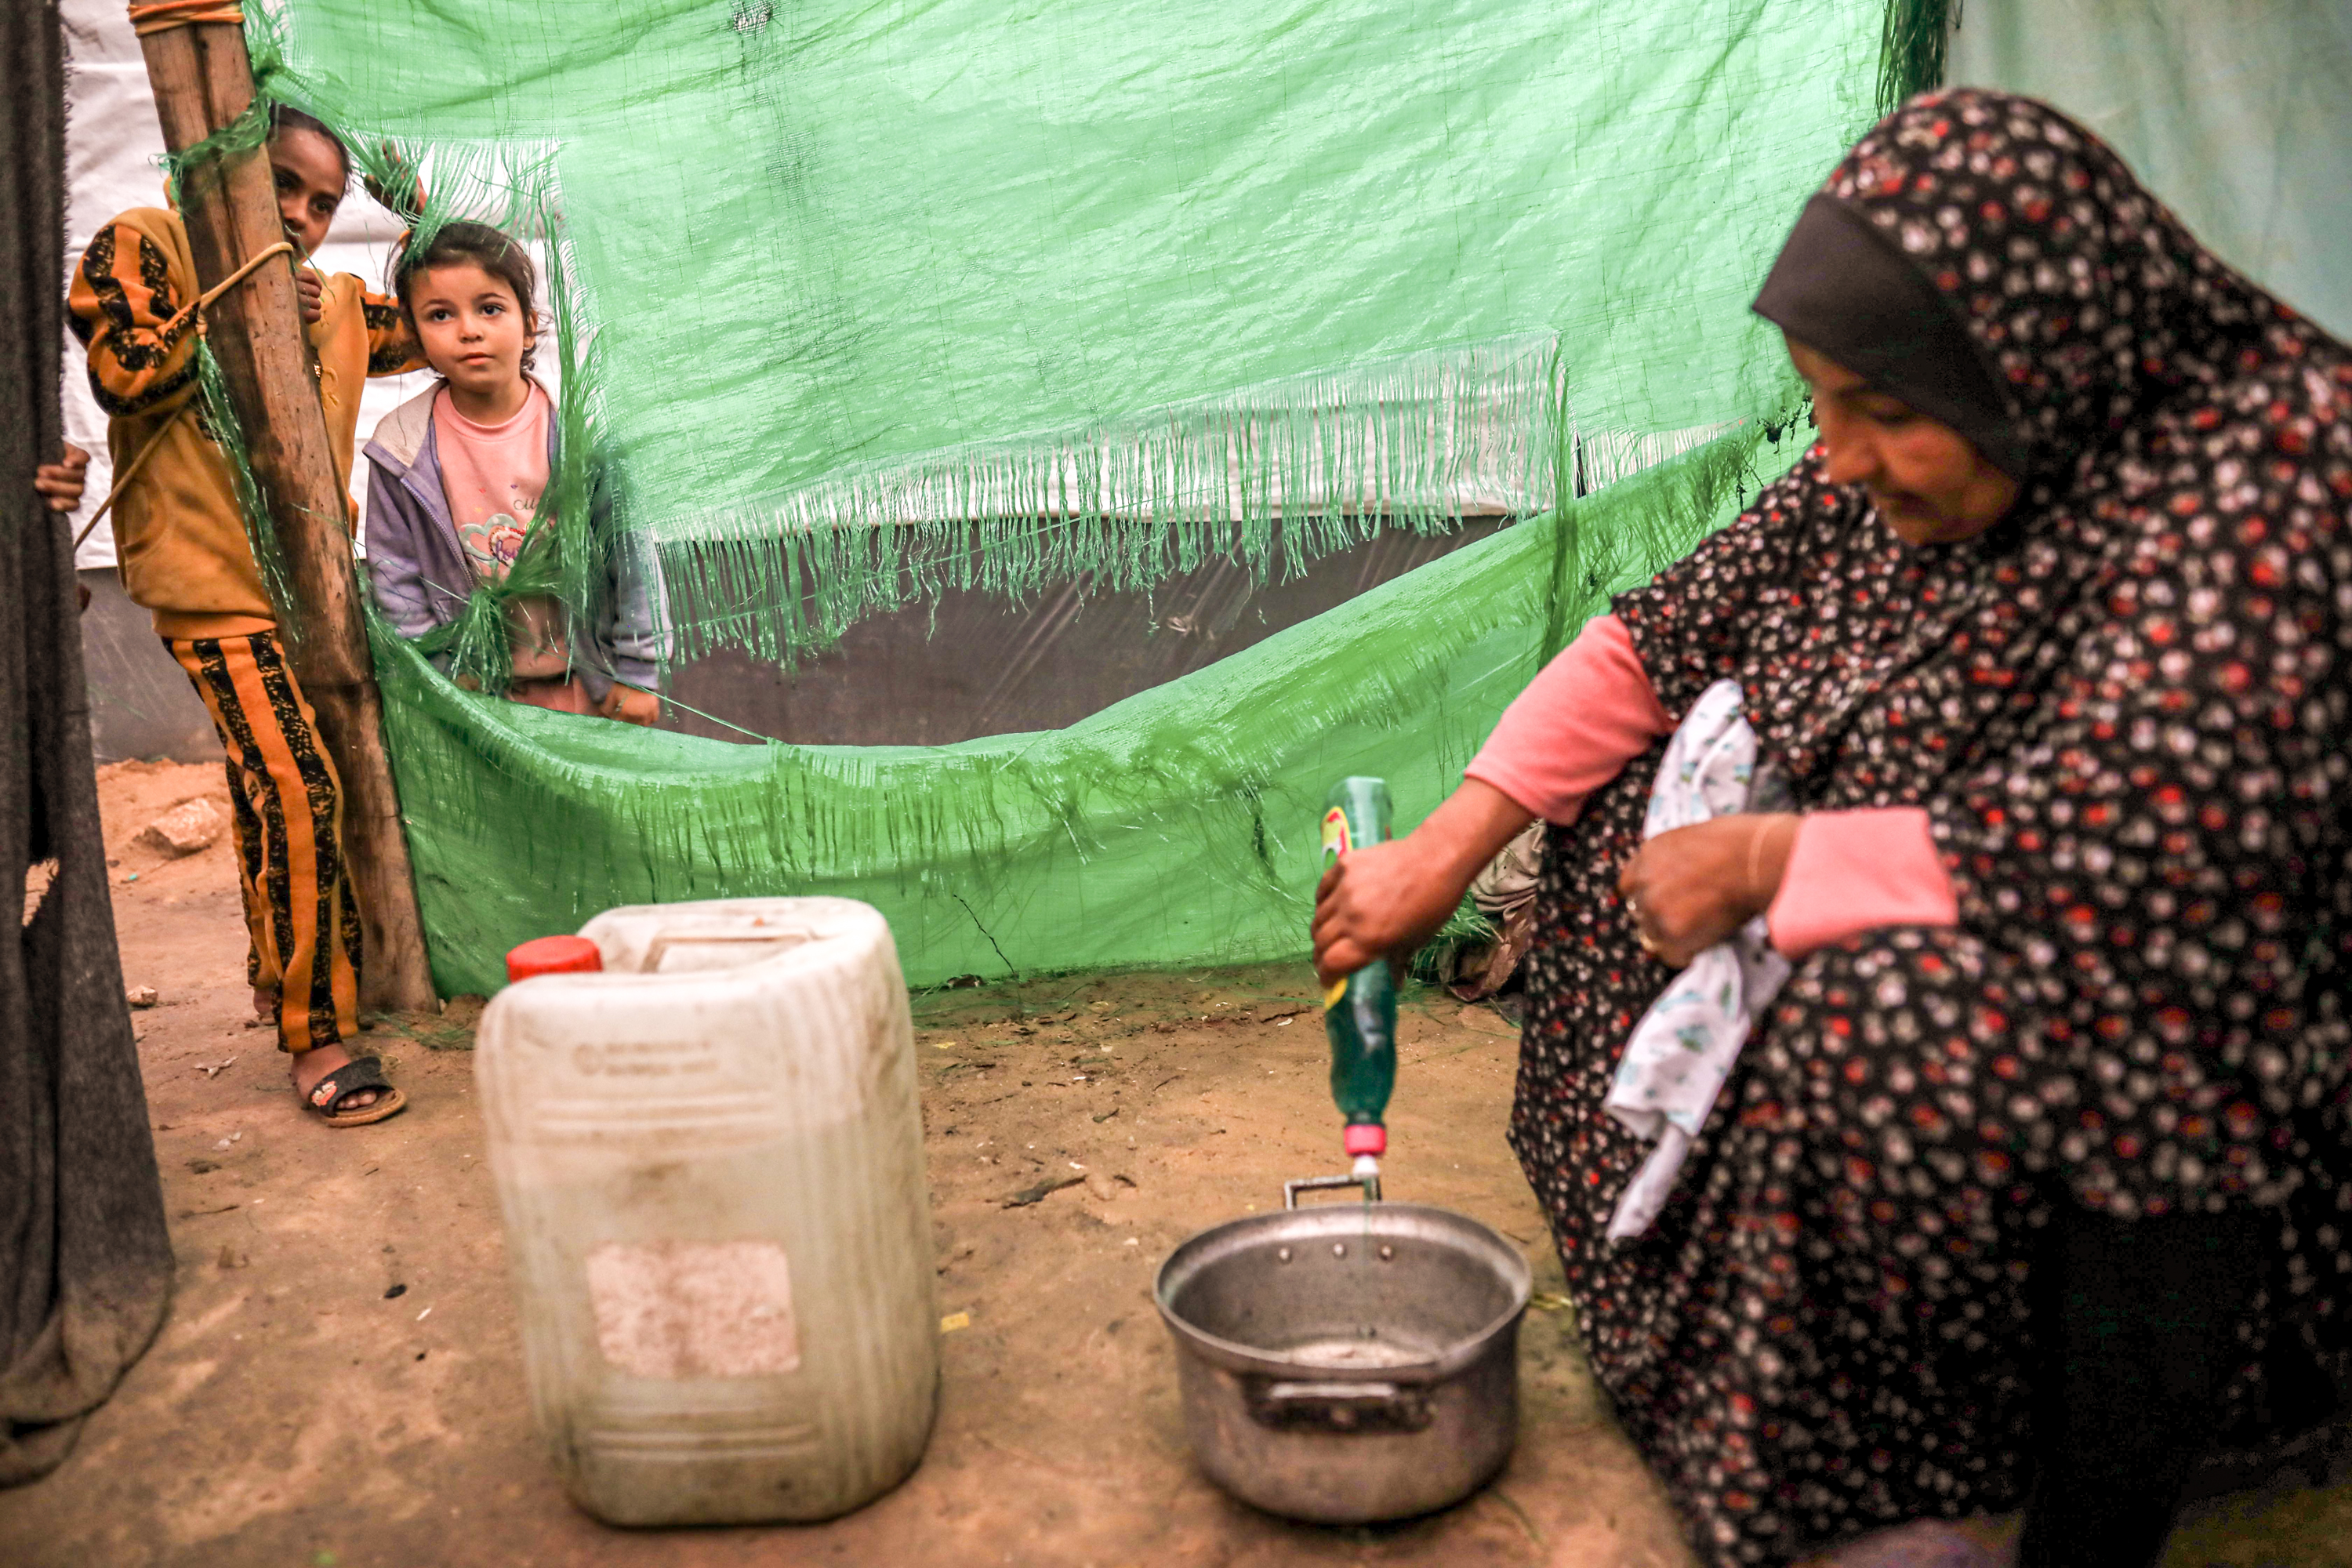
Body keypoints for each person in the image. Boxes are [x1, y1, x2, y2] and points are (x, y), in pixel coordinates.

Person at [1312, 89, 2352, 1568]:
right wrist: (1441, 853)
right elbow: (1657, 638)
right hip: (1947, 858)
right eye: (1821, 404)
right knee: (1614, 837)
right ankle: (1722, 1354)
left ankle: (2052, 1489)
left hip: (2176, 999)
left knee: (1902, 1025)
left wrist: (1776, 864)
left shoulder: (2269, 481)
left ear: (2031, 364)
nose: (1840, 457)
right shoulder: (1904, 428)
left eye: (1881, 413)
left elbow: (2158, 854)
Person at [69, 104, 423, 1127]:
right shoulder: (147, 242)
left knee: (292, 790)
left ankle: (292, 982)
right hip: (210, 584)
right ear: (211, 176)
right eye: (283, 186)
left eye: (324, 203)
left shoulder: (340, 305)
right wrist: (243, 304)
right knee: (300, 790)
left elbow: (441, 314)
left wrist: (419, 214)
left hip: (314, 591)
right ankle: (316, 1037)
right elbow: (126, 371)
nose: (306, 217)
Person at [362, 220, 664, 724]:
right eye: (441, 315)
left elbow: (630, 556)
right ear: (414, 337)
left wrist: (637, 674)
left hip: (589, 684)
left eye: (490, 308)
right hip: (476, 695)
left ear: (528, 324)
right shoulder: (402, 448)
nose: (470, 329)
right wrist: (441, 672)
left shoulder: (579, 433)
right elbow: (395, 576)